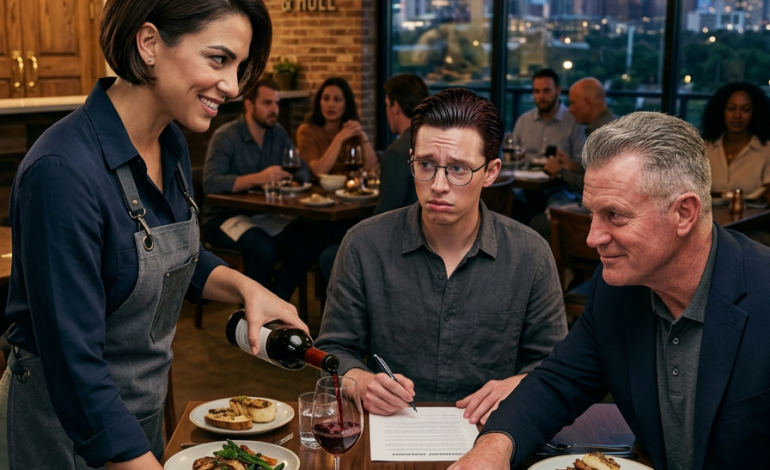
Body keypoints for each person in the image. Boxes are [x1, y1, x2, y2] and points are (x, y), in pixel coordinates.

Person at [0, 1, 307, 469]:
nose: (232, 85)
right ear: (149, 44)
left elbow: (171, 255)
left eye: (239, 66)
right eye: (218, 59)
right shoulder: (62, 172)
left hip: (137, 419)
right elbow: (74, 366)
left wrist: (246, 288)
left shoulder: (169, 141)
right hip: (62, 433)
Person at [450, 112, 770, 470]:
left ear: (684, 213)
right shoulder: (617, 290)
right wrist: (493, 447)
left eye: (615, 215)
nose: (592, 238)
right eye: (592, 214)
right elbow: (558, 382)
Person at [315, 88, 567, 425]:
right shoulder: (364, 244)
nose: (438, 185)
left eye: (458, 169)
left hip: (492, 428)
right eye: (426, 165)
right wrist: (361, 382)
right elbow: (332, 350)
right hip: (394, 427)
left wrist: (519, 385)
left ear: (491, 172)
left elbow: (555, 365)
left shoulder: (530, 254)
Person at [202, 78, 324, 301]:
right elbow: (211, 183)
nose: (274, 110)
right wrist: (259, 178)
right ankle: (255, 314)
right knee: (264, 249)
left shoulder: (277, 133)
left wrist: (292, 175)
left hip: (262, 215)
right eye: (267, 103)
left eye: (276, 103)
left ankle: (275, 302)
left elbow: (301, 169)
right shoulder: (226, 136)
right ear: (249, 105)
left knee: (312, 238)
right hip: (224, 218)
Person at [317, 73, 430, 282]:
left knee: (328, 257)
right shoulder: (432, 142)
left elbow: (385, 217)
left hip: (400, 250)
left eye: (387, 105)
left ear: (395, 107)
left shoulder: (397, 152)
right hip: (430, 242)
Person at [701, 81, 770, 203]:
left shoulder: (766, 150)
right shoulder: (704, 148)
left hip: (753, 215)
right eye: (731, 108)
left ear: (755, 113)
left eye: (745, 110)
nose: (737, 115)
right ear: (721, 111)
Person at [296, 77, 377, 177]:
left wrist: (363, 137)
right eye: (326, 99)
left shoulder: (351, 132)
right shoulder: (307, 131)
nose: (330, 104)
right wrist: (339, 139)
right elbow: (318, 171)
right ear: (319, 102)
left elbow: (372, 170)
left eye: (337, 99)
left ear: (346, 104)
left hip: (350, 186)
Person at [512, 68, 585, 163]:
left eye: (546, 91)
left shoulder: (574, 121)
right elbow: (512, 155)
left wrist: (564, 164)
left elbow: (582, 163)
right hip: (525, 172)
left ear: (558, 91)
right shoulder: (524, 121)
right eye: (537, 91)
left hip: (560, 172)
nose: (541, 96)